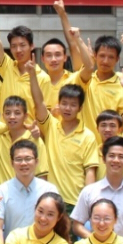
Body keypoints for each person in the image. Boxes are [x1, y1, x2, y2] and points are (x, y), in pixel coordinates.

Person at [29, 64, 98, 209]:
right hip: (51, 201)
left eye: (73, 105)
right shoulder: (51, 126)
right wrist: (32, 75)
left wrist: (87, 204)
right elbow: (38, 102)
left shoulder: (88, 136)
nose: (67, 108)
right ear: (58, 104)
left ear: (80, 108)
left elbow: (90, 171)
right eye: (64, 103)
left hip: (76, 203)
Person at [0, 0, 50, 115]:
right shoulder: (7, 67)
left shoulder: (43, 78)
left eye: (22, 45)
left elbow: (44, 112)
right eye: (14, 46)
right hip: (5, 128)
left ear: (32, 46)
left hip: (29, 128)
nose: (18, 50)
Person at [0, 139, 58, 239]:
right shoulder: (1, 191)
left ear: (36, 162)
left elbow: (55, 223)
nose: (23, 163)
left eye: (28, 159)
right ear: (12, 163)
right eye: (18, 159)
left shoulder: (49, 190)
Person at [77, 34, 123, 136]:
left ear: (117, 59)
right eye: (102, 56)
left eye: (111, 57)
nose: (105, 61)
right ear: (95, 55)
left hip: (110, 143)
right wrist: (77, 38)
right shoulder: (85, 79)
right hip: (86, 143)